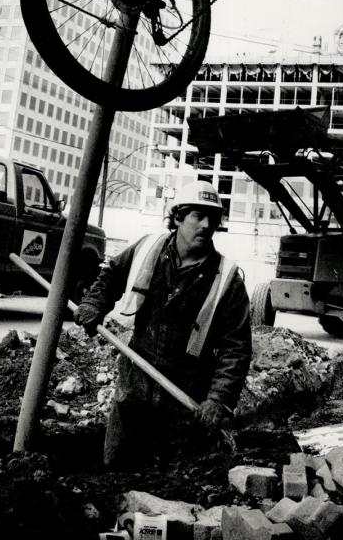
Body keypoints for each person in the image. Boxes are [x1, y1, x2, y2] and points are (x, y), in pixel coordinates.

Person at [73, 179, 252, 468]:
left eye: (213, 218)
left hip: (184, 398)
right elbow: (112, 274)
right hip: (135, 386)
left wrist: (218, 400)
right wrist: (95, 303)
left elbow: (237, 348)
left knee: (172, 485)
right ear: (178, 216)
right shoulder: (148, 249)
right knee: (117, 470)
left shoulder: (227, 280)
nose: (207, 225)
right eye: (198, 215)